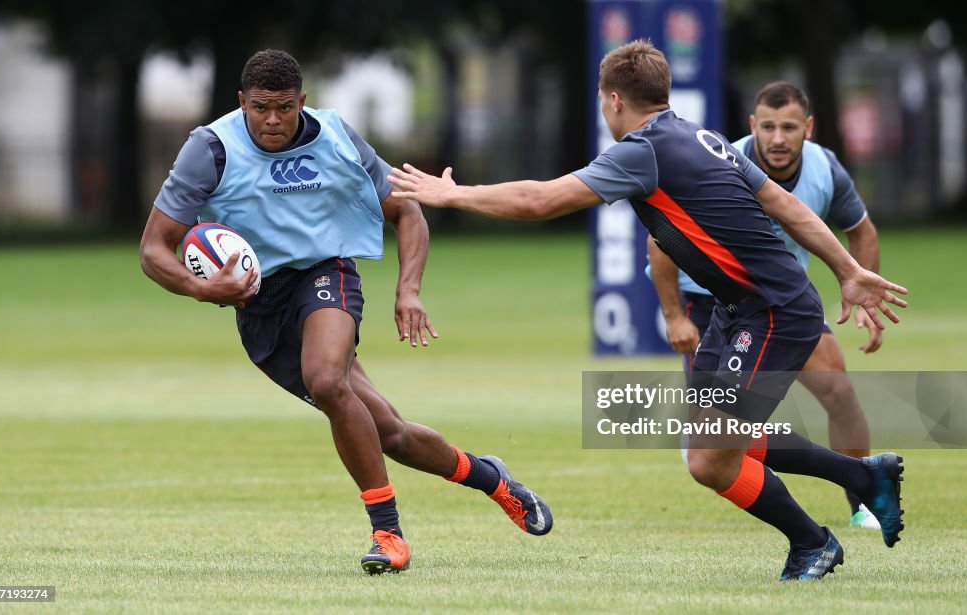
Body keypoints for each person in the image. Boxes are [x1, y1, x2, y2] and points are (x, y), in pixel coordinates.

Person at [389, 40, 907, 581]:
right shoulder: (702, 136)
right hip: (739, 310)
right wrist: (845, 270)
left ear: (613, 100)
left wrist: (454, 195)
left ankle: (813, 541)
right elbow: (786, 205)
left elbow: (538, 200)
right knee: (719, 446)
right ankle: (862, 480)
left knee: (710, 458)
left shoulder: (642, 151)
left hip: (772, 312)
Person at [139, 49, 552, 576]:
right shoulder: (210, 149)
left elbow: (406, 208)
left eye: (284, 108)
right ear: (241, 102)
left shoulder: (335, 137)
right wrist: (204, 289)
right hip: (258, 304)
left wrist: (408, 290)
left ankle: (388, 533)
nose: (271, 120)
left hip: (324, 274)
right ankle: (492, 478)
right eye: (260, 108)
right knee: (391, 434)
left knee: (328, 379)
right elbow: (153, 251)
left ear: (302, 102)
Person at [646, 81, 882, 530]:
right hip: (709, 304)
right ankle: (792, 516)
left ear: (808, 129)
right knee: (713, 435)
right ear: (752, 125)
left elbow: (862, 231)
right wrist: (675, 315)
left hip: (782, 303)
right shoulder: (714, 160)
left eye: (789, 127)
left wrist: (863, 293)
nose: (777, 138)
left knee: (840, 393)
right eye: (768, 127)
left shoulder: (825, 170)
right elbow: (660, 240)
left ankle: (865, 501)